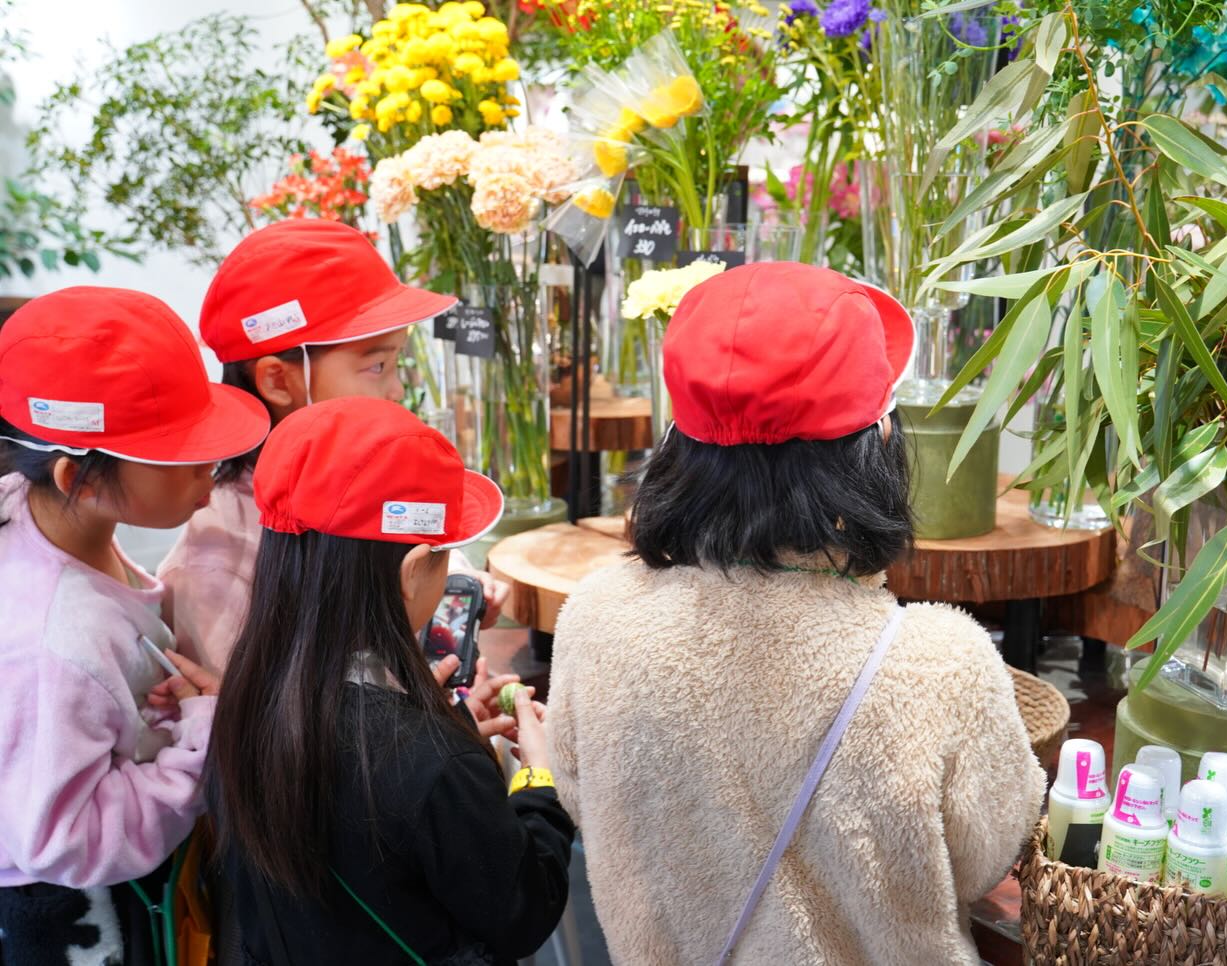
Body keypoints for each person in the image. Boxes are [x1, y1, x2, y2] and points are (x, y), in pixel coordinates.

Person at [546, 263, 1045, 965]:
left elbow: (582, 799)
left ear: (678, 443)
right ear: (872, 445)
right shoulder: (933, 663)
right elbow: (984, 856)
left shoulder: (597, 616)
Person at [206, 397, 574, 966]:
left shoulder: (246, 698)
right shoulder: (435, 763)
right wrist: (537, 780)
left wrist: (446, 737)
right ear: (412, 573)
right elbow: (523, 911)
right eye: (447, 555)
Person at [0, 288, 269, 963]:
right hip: (78, 916)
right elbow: (63, 839)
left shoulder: (44, 517)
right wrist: (195, 748)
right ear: (79, 479)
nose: (210, 482)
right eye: (185, 460)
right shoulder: (56, 643)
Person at [159, 219, 508, 681]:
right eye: (377, 365)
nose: (398, 388)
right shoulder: (216, 563)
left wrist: (449, 579)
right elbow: (256, 731)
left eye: (398, 361)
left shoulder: (371, 478)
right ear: (278, 380)